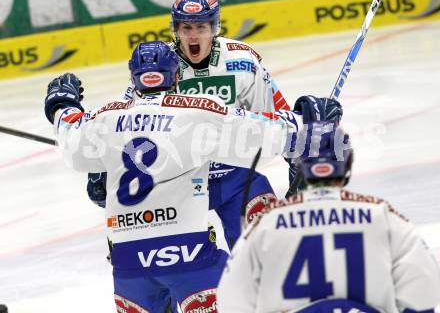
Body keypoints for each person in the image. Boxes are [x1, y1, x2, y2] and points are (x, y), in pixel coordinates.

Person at [44, 41, 305, 313]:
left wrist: (61, 104)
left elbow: (70, 134)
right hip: (189, 257)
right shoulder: (196, 112)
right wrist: (307, 119)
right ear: (177, 75)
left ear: (133, 78)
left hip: (128, 266)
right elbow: (262, 133)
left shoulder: (105, 117)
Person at [88, 0, 342, 249]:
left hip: (236, 176)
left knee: (266, 250)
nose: (193, 35)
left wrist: (299, 153)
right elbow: (126, 120)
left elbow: (272, 118)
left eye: (201, 27)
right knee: (180, 265)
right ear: (176, 29)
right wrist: (101, 168)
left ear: (214, 27)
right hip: (178, 182)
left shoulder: (242, 61)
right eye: (186, 27)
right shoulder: (158, 62)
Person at [217, 121, 440, 312]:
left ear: (301, 165)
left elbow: (232, 298)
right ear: (348, 164)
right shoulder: (382, 215)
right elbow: (423, 285)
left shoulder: (266, 224)